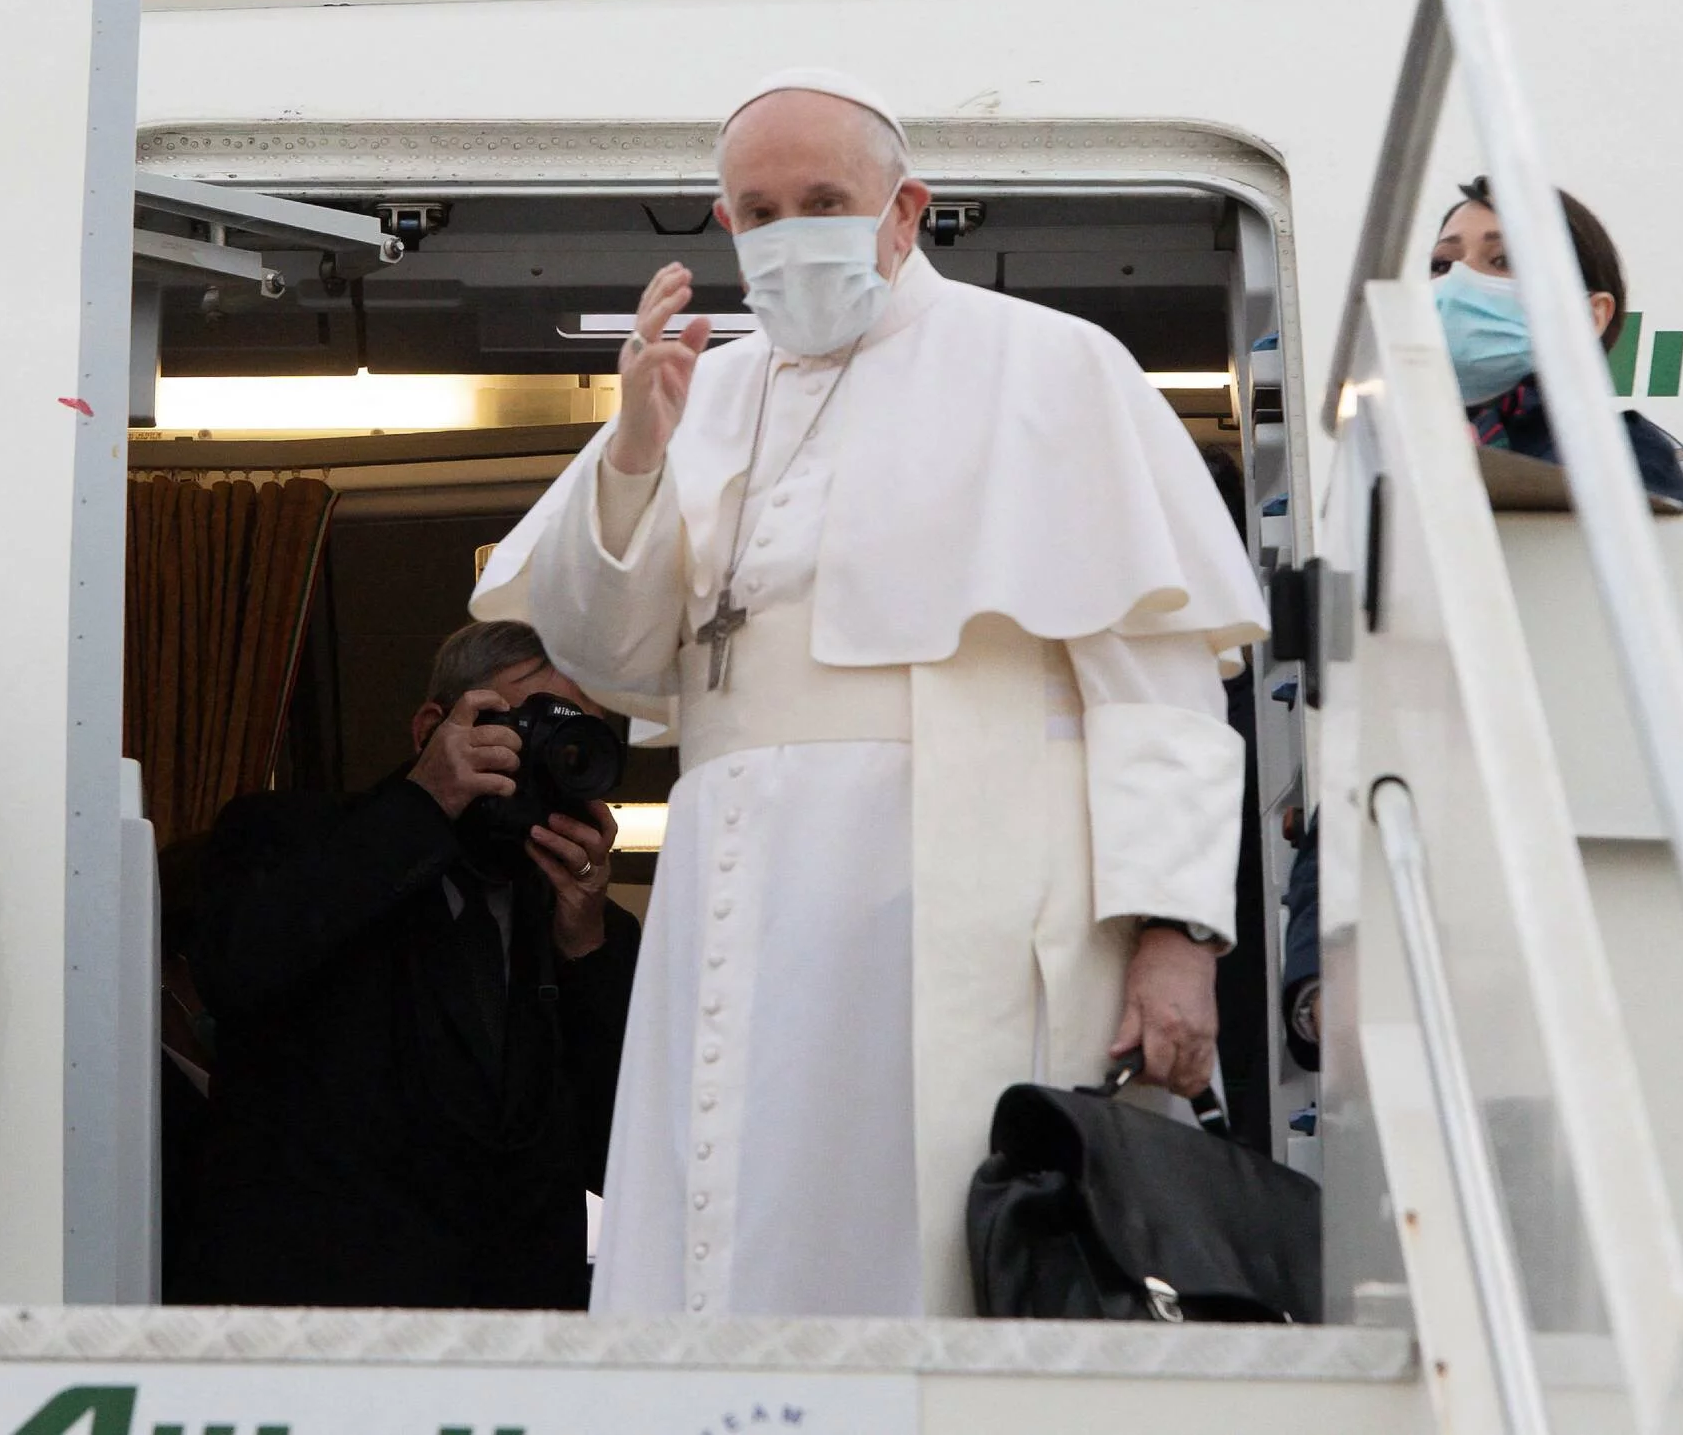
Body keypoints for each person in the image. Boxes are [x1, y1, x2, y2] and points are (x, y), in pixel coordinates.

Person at [475, 69, 1267, 1317]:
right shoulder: (699, 388)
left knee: (926, 1250)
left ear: (906, 211)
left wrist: (1173, 937)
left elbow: (1157, 691)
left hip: (958, 892)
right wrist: (632, 450)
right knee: (717, 1227)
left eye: (824, 198)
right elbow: (611, 654)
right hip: (727, 891)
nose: (791, 228)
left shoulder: (1052, 367)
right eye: (758, 207)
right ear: (726, 226)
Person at [182, 621, 640, 1309]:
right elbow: (237, 967)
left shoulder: (587, 926)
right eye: (533, 720)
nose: (549, 753)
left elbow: (625, 1153)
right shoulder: (286, 833)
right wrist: (423, 802)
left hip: (519, 1338)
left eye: (578, 736)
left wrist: (584, 947)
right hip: (324, 1321)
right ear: (435, 724)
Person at [1429, 176, 1683, 507]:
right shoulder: (1388, 442)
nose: (1458, 281)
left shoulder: (1616, 453)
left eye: (1503, 260)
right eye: (1442, 264)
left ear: (1590, 316)